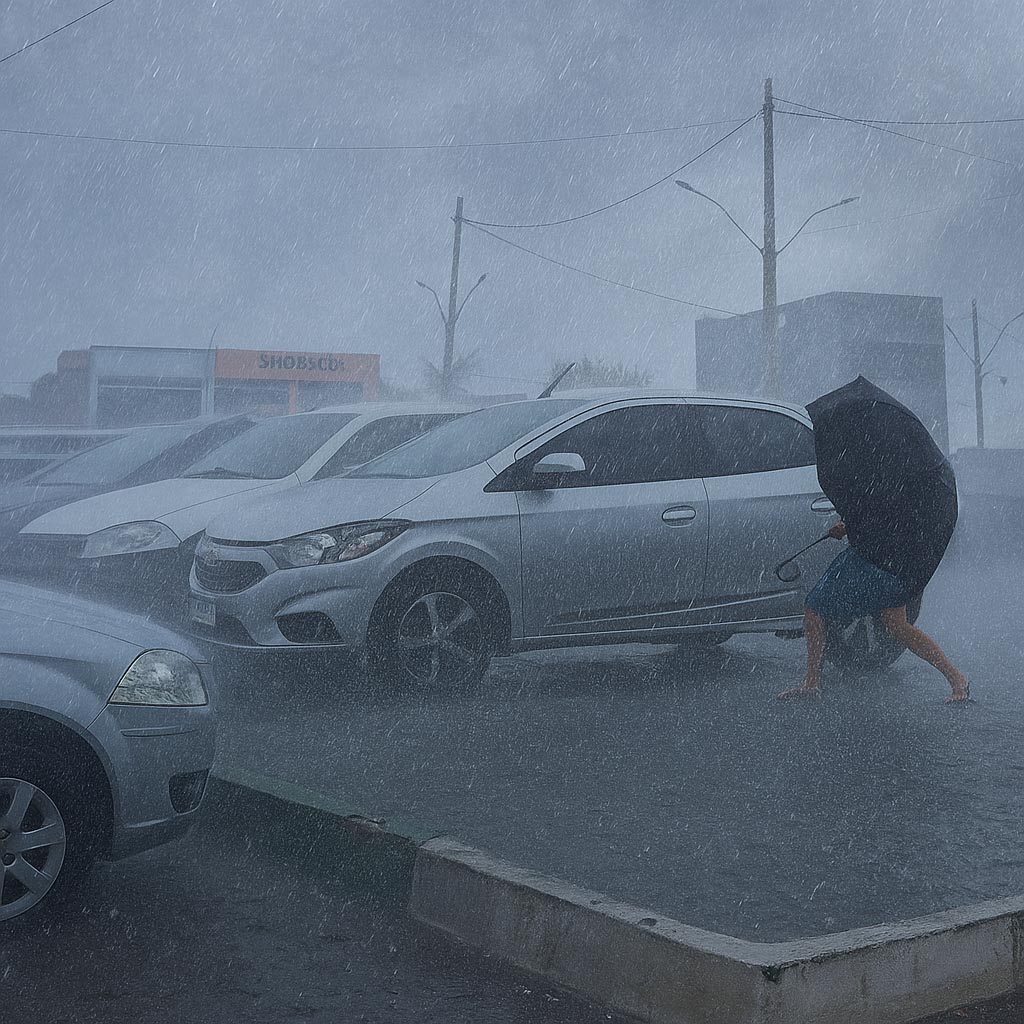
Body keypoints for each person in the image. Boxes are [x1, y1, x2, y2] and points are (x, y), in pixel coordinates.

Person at [778, 519, 970, 703]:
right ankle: (956, 679)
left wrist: (848, 526)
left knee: (817, 608)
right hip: (882, 558)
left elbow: (876, 517)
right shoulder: (889, 491)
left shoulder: (883, 491)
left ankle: (811, 682)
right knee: (894, 624)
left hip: (876, 557)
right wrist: (849, 524)